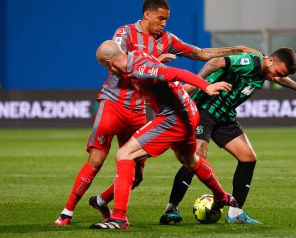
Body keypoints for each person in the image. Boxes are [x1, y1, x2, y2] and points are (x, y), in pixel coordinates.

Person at [54, 0, 256, 226]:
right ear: (147, 14)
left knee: (131, 164)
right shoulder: (125, 34)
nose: (164, 24)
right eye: (160, 18)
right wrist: (156, 62)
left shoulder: (162, 43)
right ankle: (74, 211)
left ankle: (114, 213)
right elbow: (117, 57)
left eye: (166, 20)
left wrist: (234, 50)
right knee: (183, 159)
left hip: (152, 111)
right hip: (119, 103)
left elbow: (197, 54)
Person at [159, 48, 296, 225]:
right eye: (277, 73)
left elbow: (281, 76)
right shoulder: (250, 62)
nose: (276, 79)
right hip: (204, 109)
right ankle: (171, 209)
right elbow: (215, 62)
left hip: (224, 116)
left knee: (248, 158)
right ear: (269, 61)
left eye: (280, 76)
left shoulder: (267, 69)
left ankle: (236, 213)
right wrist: (197, 84)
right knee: (196, 156)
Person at [89, 40, 236, 230]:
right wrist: (158, 62)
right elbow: (154, 70)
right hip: (188, 113)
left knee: (124, 154)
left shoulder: (137, 69)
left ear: (109, 64)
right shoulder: (136, 56)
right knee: (191, 160)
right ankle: (221, 196)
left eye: (104, 67)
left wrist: (205, 86)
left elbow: (177, 73)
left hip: (174, 117)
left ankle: (119, 218)